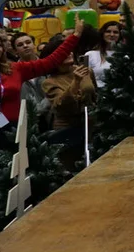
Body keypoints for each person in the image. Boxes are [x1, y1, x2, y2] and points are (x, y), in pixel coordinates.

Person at [0, 19, 83, 236]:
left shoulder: (14, 70)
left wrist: (74, 37)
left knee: (15, 181)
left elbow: (50, 61)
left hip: (11, 132)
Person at [40, 34, 97, 167]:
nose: (69, 53)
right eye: (63, 52)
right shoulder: (49, 82)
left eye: (69, 50)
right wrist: (76, 82)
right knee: (70, 165)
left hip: (90, 124)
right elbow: (61, 104)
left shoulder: (86, 71)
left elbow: (95, 94)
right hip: (68, 127)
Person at [86, 21, 122, 87]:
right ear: (102, 34)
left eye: (115, 32)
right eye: (108, 31)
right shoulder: (90, 54)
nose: (112, 35)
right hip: (97, 93)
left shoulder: (124, 55)